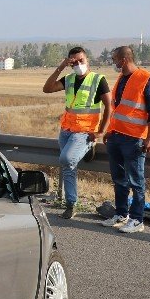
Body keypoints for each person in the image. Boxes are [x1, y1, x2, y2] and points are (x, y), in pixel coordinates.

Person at [42, 46, 113, 219]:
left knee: (66, 159)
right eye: (74, 62)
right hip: (66, 130)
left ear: (87, 60)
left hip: (85, 132)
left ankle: (89, 146)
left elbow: (109, 107)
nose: (79, 64)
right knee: (68, 167)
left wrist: (101, 132)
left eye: (81, 60)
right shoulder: (69, 79)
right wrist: (61, 67)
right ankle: (71, 204)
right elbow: (47, 89)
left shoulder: (98, 80)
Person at [100, 46, 150, 233]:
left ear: (123, 60)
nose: (113, 62)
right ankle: (121, 214)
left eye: (114, 59)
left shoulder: (146, 78)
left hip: (134, 139)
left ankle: (137, 220)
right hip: (116, 136)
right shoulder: (121, 78)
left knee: (136, 181)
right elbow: (118, 109)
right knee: (119, 179)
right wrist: (110, 130)